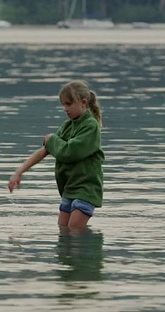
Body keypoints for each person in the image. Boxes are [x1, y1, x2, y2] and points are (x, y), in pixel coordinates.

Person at [8, 80, 104, 228]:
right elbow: (44, 151)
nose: (65, 109)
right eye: (63, 105)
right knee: (64, 233)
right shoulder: (67, 126)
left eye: (69, 104)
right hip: (69, 189)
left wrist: (52, 140)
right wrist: (20, 171)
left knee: (74, 233)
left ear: (83, 102)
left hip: (86, 189)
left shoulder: (90, 126)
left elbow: (70, 152)